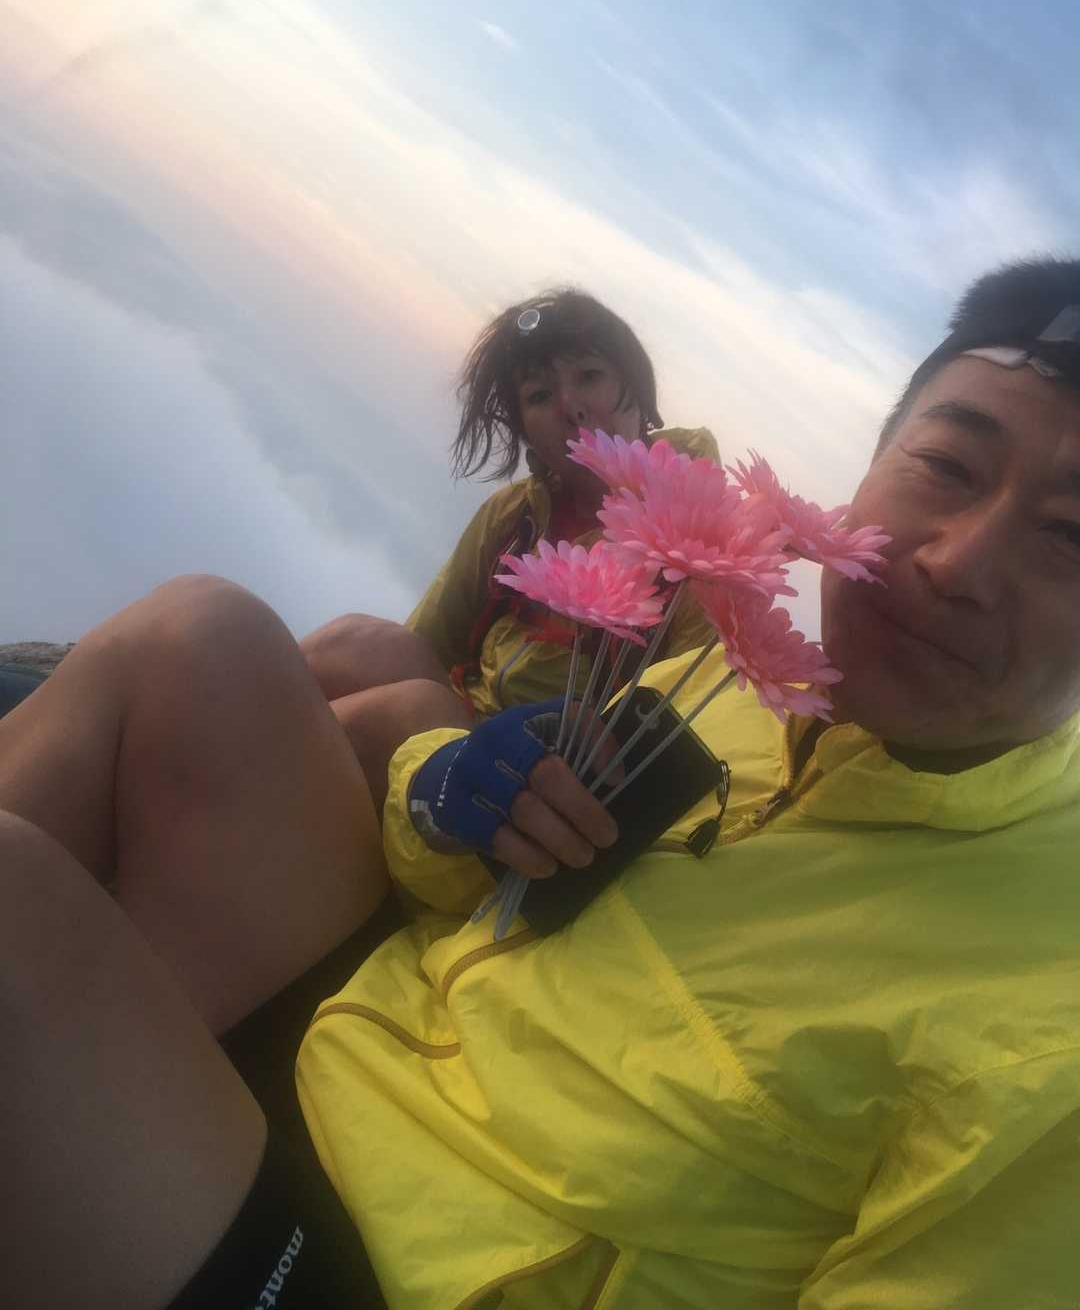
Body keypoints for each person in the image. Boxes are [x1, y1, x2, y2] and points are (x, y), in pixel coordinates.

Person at [4, 256, 1080, 1308]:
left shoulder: (1048, 1026)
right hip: (358, 1048)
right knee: (203, 634)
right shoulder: (742, 694)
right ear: (872, 466)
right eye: (949, 466)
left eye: (1071, 533)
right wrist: (448, 797)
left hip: (377, 1266)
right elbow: (487, 888)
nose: (956, 565)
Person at [299, 291, 719, 800]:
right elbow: (431, 639)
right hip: (463, 725)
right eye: (539, 396)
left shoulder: (706, 546)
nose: (571, 408)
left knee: (399, 715)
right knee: (354, 643)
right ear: (525, 431)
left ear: (637, 388)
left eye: (590, 375)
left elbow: (680, 725)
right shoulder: (516, 515)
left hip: (563, 787)